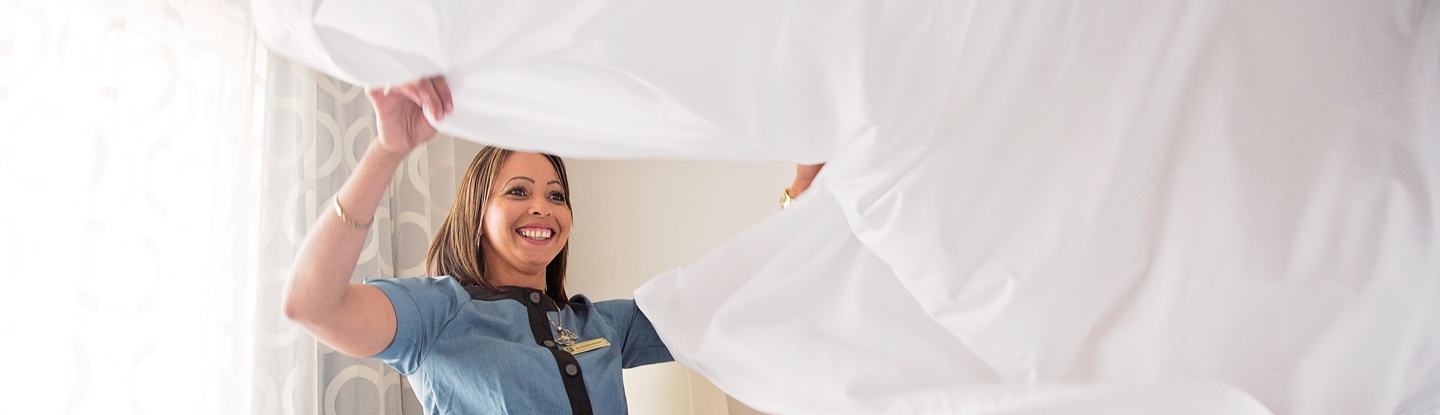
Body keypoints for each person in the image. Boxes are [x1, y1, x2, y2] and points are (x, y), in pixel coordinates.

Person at [283, 76, 822, 414]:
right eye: (518, 192)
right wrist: (387, 149)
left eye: (556, 195)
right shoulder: (438, 314)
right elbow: (312, 304)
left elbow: (733, 299)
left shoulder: (605, 325)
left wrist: (800, 195)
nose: (542, 207)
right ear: (478, 212)